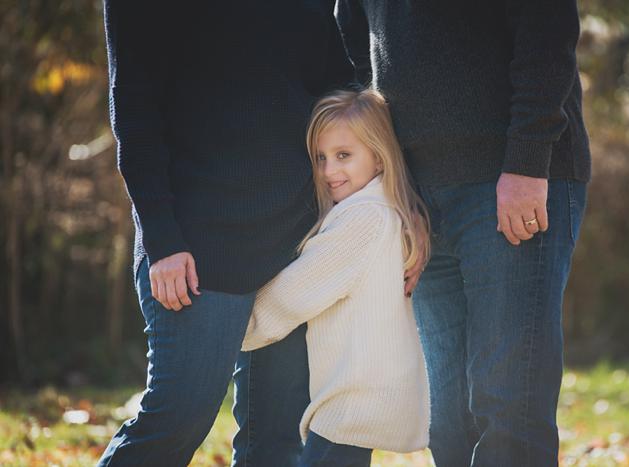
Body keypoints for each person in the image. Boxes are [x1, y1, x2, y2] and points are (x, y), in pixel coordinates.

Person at [97, 1, 375, 465]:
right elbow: (133, 111)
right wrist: (163, 241)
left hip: (297, 241)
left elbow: (339, 86)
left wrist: (373, 200)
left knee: (277, 439)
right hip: (199, 246)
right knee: (175, 420)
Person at [335, 1, 591, 465]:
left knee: (509, 400)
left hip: (508, 180)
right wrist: (390, 182)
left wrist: (527, 160)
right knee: (448, 415)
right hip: (418, 195)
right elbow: (354, 40)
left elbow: (546, 28)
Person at [241, 89, 431, 466]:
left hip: (351, 401)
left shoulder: (363, 218)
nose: (329, 172)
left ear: (379, 156)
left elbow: (290, 297)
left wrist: (227, 327)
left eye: (344, 156)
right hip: (362, 396)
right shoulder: (387, 210)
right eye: (320, 158)